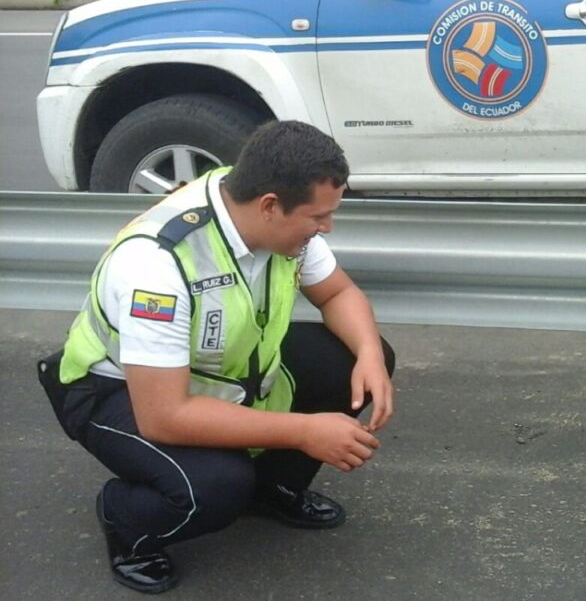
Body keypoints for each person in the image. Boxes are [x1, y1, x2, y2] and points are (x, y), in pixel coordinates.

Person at [37, 121, 395, 594]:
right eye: (318, 217)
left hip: (215, 371)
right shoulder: (157, 266)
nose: (326, 227)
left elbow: (338, 294)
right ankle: (128, 522)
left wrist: (369, 352)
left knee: (353, 360)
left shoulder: (264, 207)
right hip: (115, 391)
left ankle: (272, 487)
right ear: (270, 206)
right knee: (217, 484)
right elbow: (165, 416)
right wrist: (307, 431)